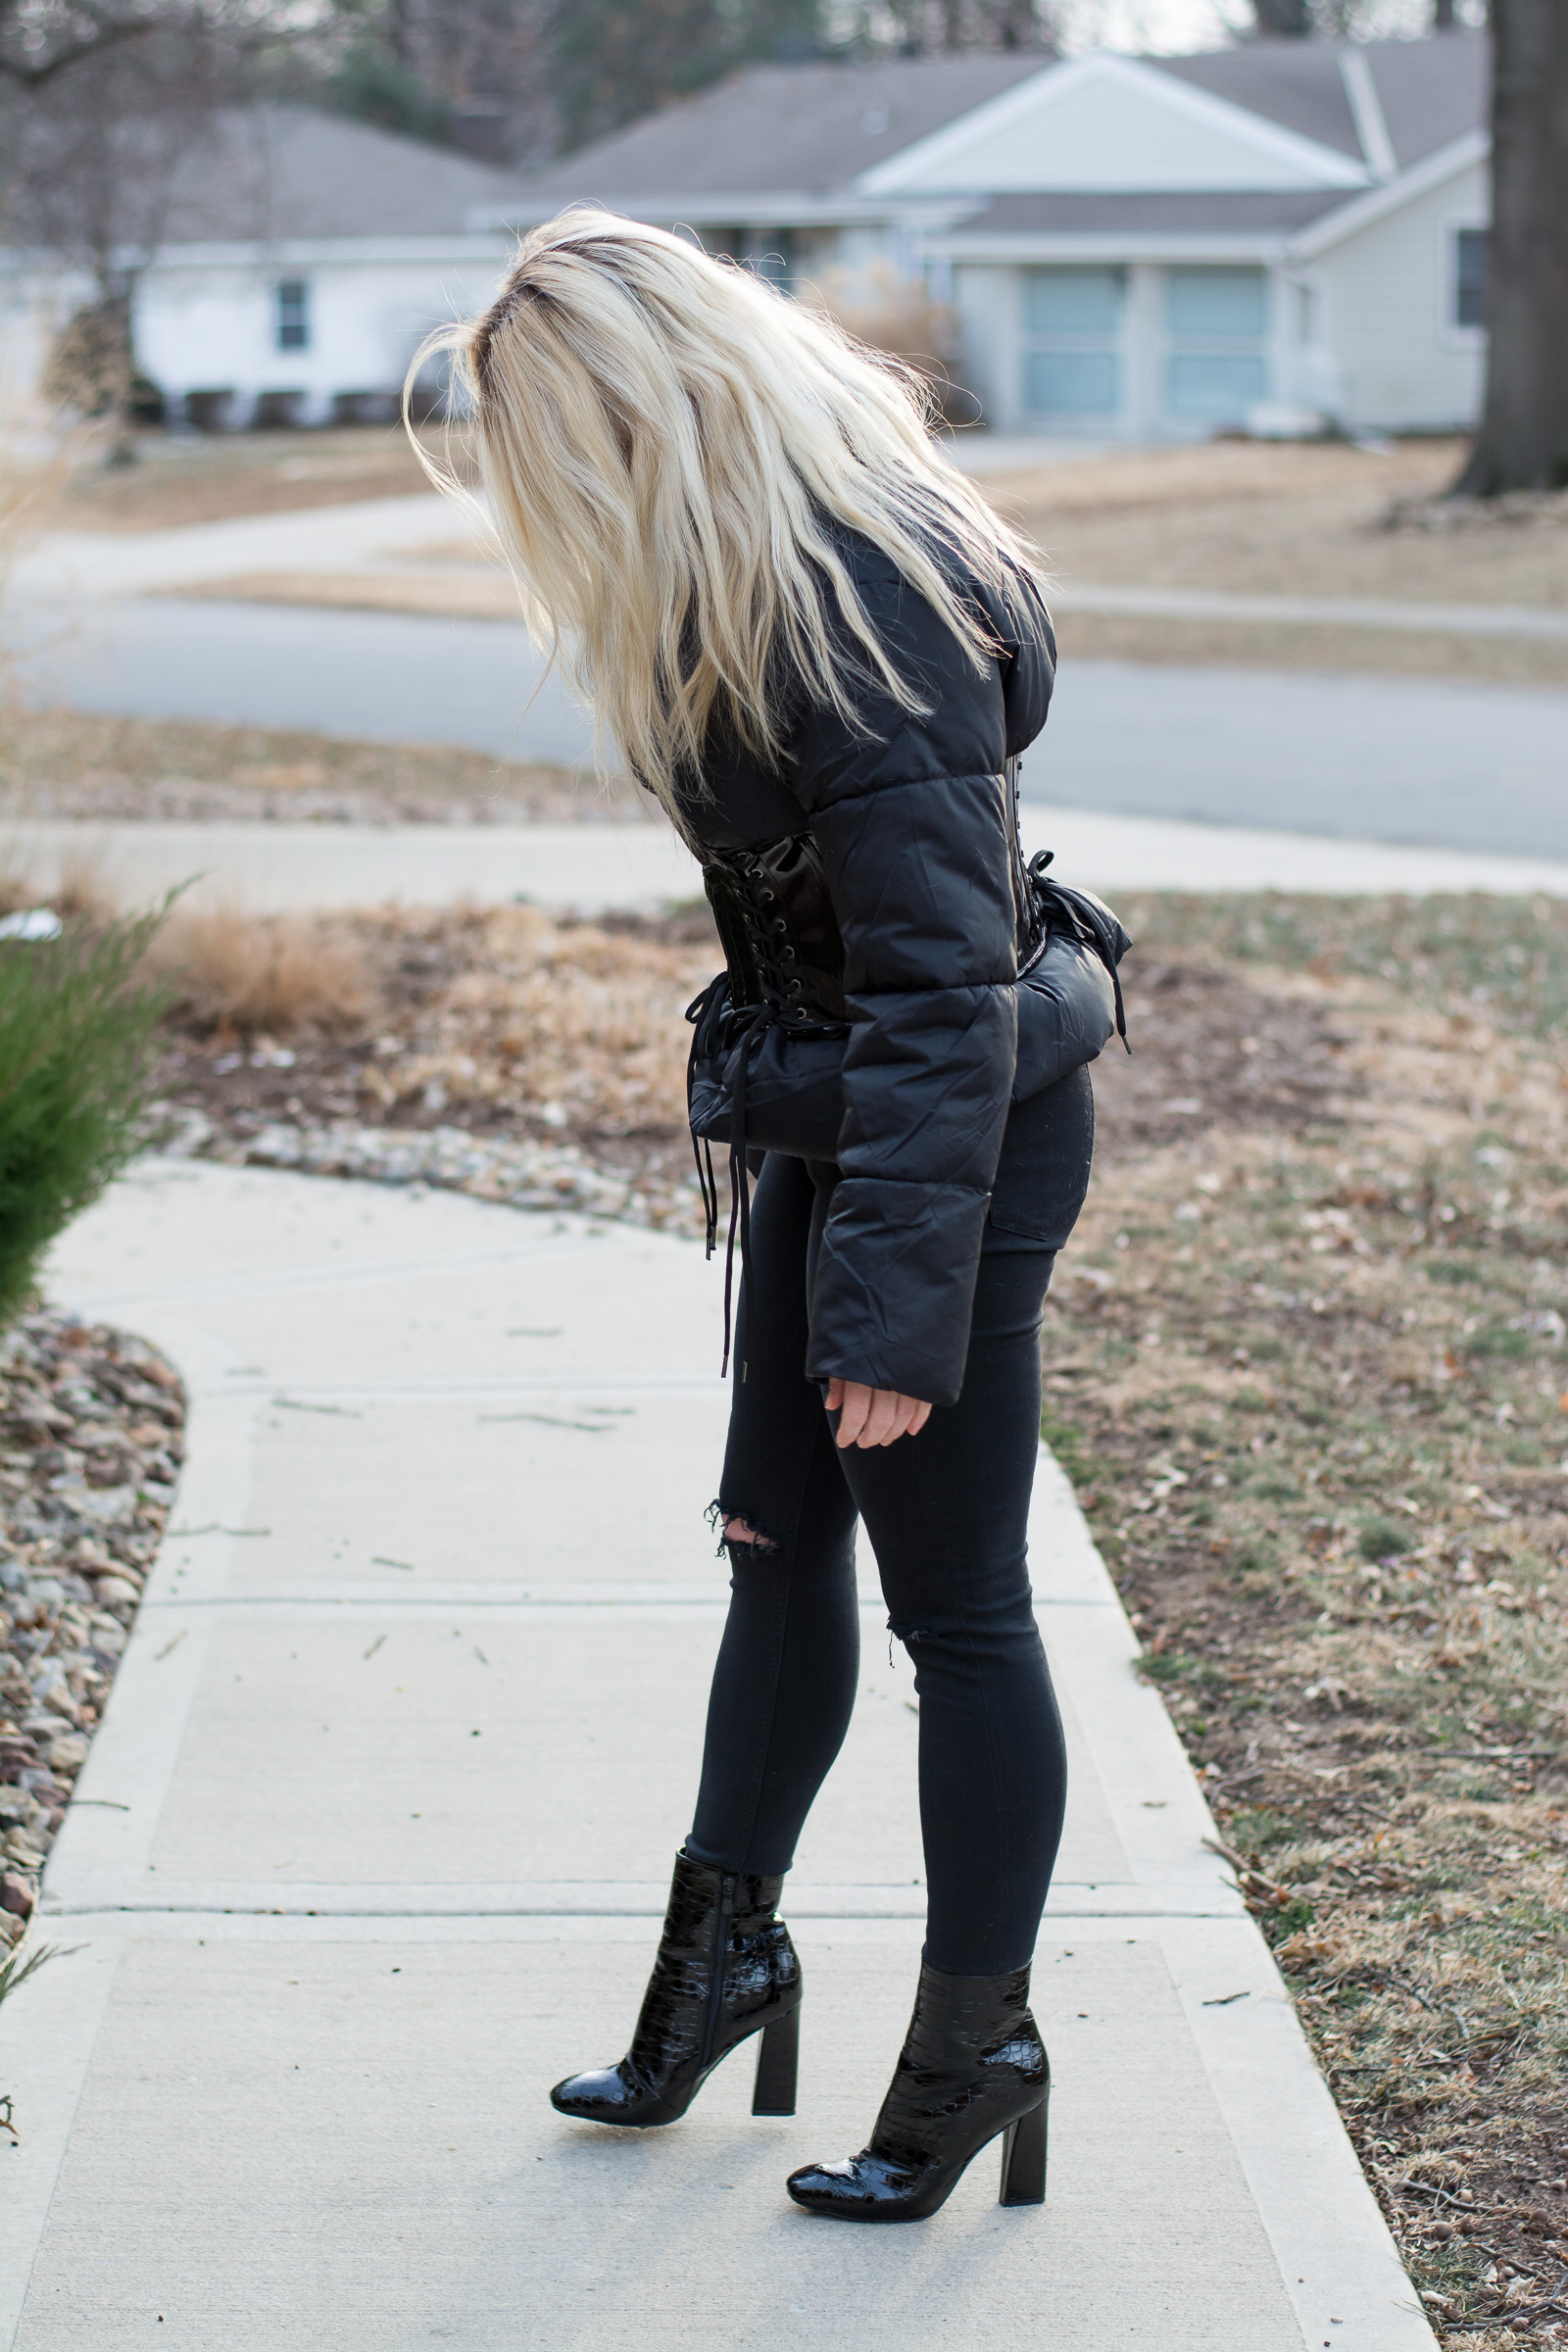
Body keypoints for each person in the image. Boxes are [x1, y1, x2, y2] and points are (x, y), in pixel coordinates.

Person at [409, 210, 1127, 2226]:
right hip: (838, 1119)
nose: (548, 508)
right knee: (767, 1543)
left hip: (952, 1145)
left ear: (654, 416)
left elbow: (944, 992)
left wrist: (885, 1324)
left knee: (955, 1608)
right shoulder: (748, 577)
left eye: (559, 454)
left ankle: (973, 2047)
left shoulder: (869, 603)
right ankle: (721, 1968)